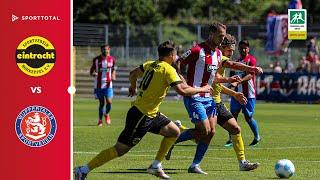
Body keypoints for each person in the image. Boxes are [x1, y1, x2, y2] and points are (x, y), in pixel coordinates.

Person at [74, 40, 213, 180]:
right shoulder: (168, 69)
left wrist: (133, 87)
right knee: (120, 149)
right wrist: (202, 88)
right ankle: (83, 169)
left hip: (150, 113)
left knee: (173, 131)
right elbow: (182, 90)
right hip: (141, 115)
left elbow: (132, 74)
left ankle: (156, 165)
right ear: (171, 54)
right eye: (175, 54)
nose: (176, 57)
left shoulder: (150, 64)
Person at [166, 34, 261, 171]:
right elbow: (223, 73)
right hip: (206, 99)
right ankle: (175, 139)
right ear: (222, 47)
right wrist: (250, 69)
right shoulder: (216, 58)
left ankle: (242, 163)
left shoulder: (218, 58)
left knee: (235, 129)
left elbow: (216, 84)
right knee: (205, 132)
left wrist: (233, 93)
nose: (231, 53)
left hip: (216, 102)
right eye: (229, 50)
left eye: (233, 51)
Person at [174, 22, 245, 175]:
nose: (222, 39)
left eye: (224, 36)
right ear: (211, 34)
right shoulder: (196, 50)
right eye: (220, 36)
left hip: (209, 98)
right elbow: (177, 62)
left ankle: (194, 165)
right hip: (195, 96)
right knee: (205, 130)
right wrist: (182, 81)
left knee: (211, 132)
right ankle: (173, 138)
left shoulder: (218, 54)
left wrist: (228, 82)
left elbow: (215, 76)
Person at [227, 40, 261, 147]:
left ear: (248, 49)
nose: (243, 49)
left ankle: (257, 137)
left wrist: (240, 81)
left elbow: (251, 74)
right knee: (232, 116)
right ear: (238, 49)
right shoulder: (237, 62)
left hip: (248, 94)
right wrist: (231, 85)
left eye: (245, 47)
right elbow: (232, 76)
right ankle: (231, 140)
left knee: (248, 117)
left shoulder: (251, 60)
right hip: (237, 94)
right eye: (241, 47)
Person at [90, 44, 116, 126]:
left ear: (109, 50)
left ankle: (106, 114)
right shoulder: (96, 60)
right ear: (101, 50)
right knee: (101, 103)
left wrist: (113, 75)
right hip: (98, 85)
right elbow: (91, 71)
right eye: (103, 49)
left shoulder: (112, 59)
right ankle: (100, 120)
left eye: (106, 49)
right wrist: (94, 73)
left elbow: (114, 68)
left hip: (108, 85)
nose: (105, 51)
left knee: (109, 102)